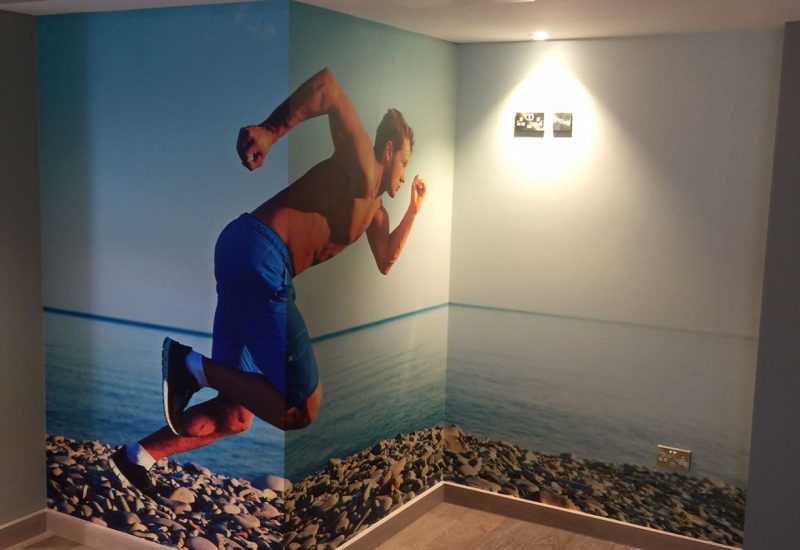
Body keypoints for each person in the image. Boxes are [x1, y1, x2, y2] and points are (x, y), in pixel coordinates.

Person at [109, 68, 426, 496]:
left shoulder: (377, 211)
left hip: (242, 253)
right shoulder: (363, 169)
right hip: (262, 255)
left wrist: (414, 208)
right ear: (388, 150)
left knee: (236, 414)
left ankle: (137, 456)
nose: (405, 174)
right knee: (301, 406)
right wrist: (269, 132)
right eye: (404, 161)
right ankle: (191, 367)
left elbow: (386, 259)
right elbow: (329, 86)